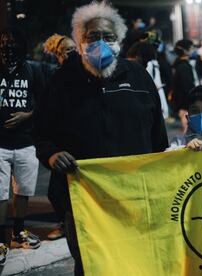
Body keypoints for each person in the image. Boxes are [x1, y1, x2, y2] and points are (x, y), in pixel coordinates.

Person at [35, 2, 168, 275]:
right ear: (79, 41)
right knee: (91, 264)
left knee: (136, 262)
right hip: (84, 200)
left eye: (108, 36)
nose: (101, 43)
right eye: (92, 36)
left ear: (119, 40)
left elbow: (159, 139)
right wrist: (51, 154)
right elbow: (42, 132)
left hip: (133, 198)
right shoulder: (62, 81)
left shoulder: (139, 77)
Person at [0, 27, 43, 266]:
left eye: (11, 43)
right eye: (3, 44)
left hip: (26, 141)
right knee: (0, 193)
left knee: (23, 190)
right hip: (0, 144)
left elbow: (44, 103)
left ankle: (18, 231)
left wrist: (27, 116)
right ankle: (0, 240)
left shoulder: (33, 70)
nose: (7, 48)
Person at [42, 33, 78, 241]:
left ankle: (69, 223)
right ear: (58, 54)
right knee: (56, 191)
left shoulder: (83, 72)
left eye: (74, 48)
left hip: (76, 139)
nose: (72, 53)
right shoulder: (52, 76)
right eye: (67, 50)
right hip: (60, 141)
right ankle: (65, 223)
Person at [127, 41, 169, 119]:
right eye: (146, 61)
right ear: (137, 56)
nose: (146, 65)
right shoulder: (129, 71)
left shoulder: (139, 71)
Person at [171, 39, 200, 132]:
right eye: (191, 48)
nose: (193, 50)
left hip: (184, 103)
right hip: (185, 104)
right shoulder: (183, 67)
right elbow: (187, 87)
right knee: (188, 131)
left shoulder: (180, 64)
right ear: (185, 50)